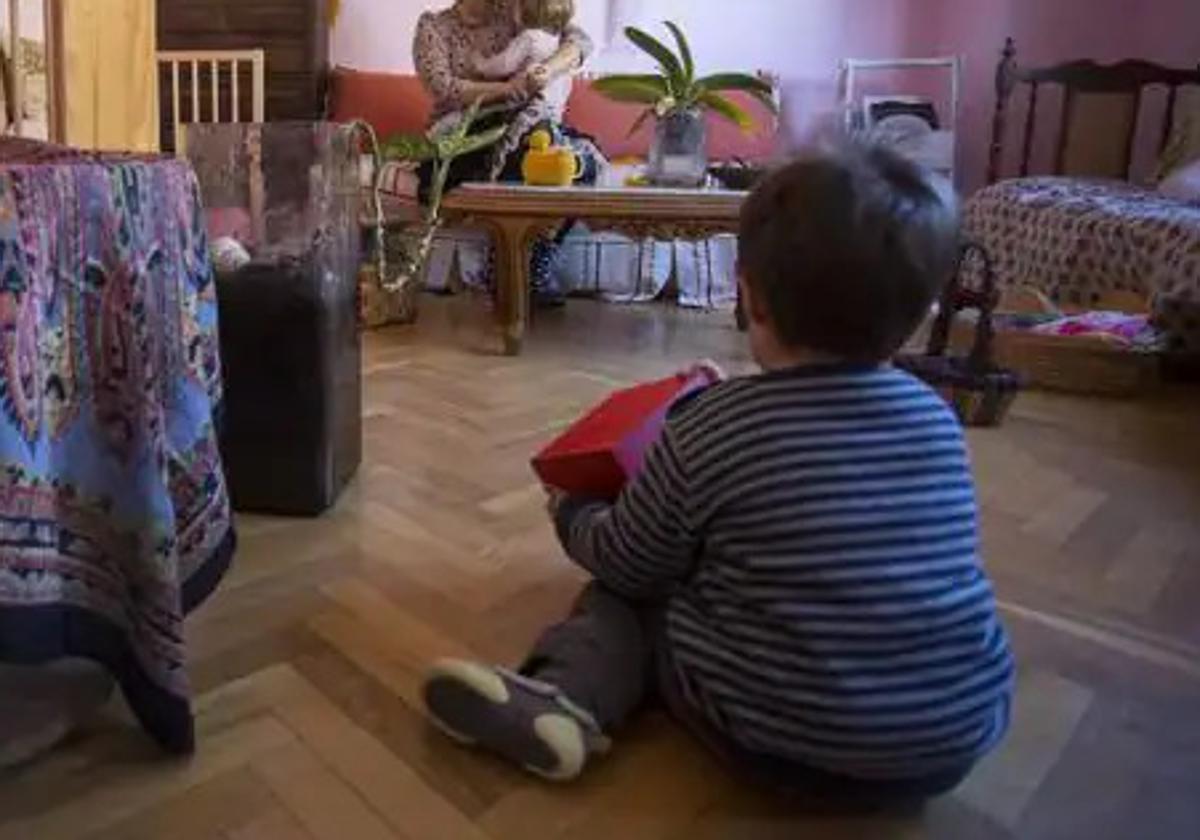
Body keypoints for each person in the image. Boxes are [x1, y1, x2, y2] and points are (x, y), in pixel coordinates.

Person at [420, 144, 1015, 801]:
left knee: (631, 601)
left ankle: (564, 695)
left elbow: (627, 560)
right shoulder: (937, 423)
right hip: (952, 743)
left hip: (780, 742)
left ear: (750, 297)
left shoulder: (719, 425)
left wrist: (571, 509)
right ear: (919, 313)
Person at [413, 0, 603, 302]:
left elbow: (580, 40)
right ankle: (504, 264)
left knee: (583, 162)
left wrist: (547, 70)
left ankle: (537, 260)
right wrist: (508, 89)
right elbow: (444, 87)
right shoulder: (433, 27)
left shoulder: (514, 12)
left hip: (522, 121)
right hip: (464, 133)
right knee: (528, 160)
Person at [430, 0, 577, 139]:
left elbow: (501, 65)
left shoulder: (529, 37)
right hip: (554, 109)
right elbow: (443, 86)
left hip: (522, 106)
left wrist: (478, 61)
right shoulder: (558, 42)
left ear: (522, 12)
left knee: (458, 121)